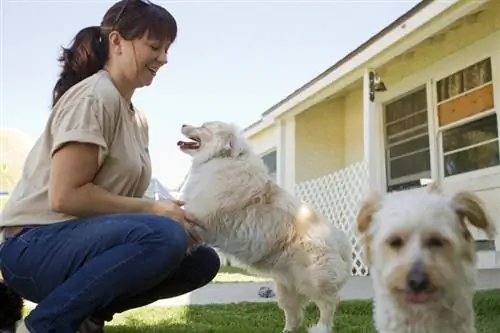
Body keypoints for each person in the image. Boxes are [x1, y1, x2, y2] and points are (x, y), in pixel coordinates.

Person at [0, 0, 221, 332]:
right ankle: (43, 326)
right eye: (155, 46)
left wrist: (172, 215)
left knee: (201, 260)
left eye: (167, 49)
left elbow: (122, 208)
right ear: (117, 41)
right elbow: (66, 197)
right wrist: (153, 211)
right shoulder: (94, 97)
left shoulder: (137, 117)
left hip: (76, 246)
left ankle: (87, 316)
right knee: (163, 236)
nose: (164, 58)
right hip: (31, 248)